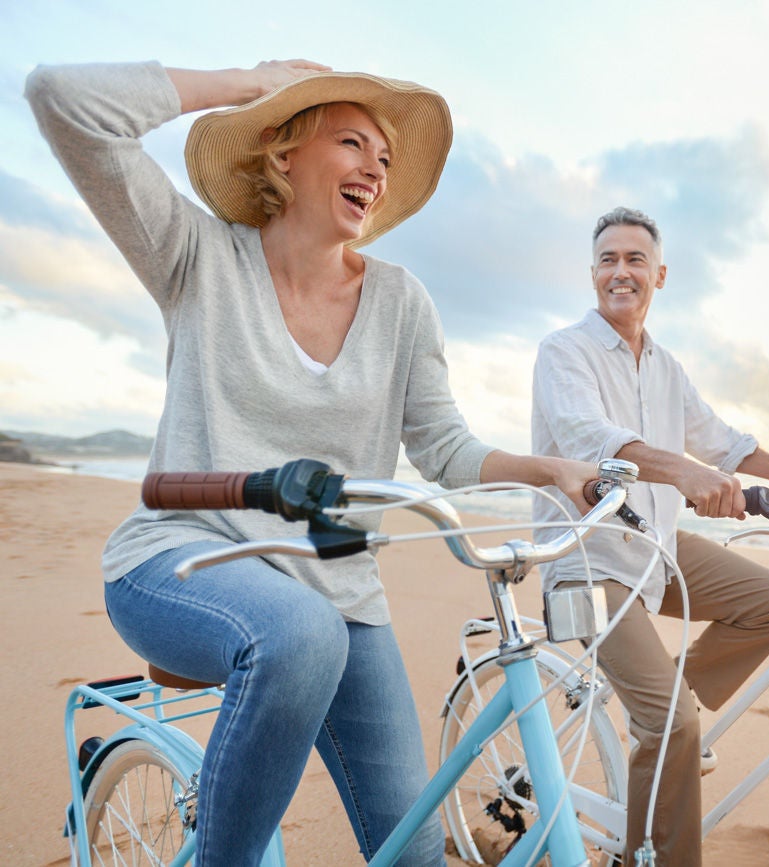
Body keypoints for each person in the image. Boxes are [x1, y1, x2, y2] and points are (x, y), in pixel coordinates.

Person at [26, 60, 596, 866]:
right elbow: (65, 102)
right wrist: (239, 84)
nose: (375, 168)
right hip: (182, 557)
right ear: (283, 154)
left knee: (414, 849)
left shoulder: (403, 302)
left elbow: (444, 447)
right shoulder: (197, 257)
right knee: (299, 634)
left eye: (386, 159)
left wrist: (550, 470)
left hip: (340, 591)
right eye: (352, 142)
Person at [530, 206, 769, 865]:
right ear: (593, 273)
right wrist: (683, 472)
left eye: (634, 260)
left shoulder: (665, 366)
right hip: (585, 558)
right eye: (607, 259)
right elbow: (590, 442)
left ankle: (665, 707)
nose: (620, 271)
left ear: (660, 274)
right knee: (673, 724)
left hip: (653, 545)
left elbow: (726, 444)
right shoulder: (562, 352)